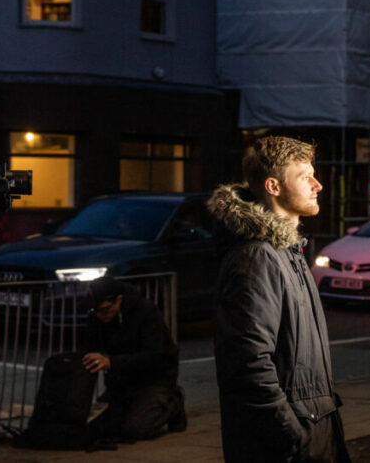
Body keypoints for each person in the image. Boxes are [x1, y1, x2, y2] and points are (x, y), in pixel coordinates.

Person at [208, 136, 348, 462]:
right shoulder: (257, 258)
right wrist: (292, 436)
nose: (317, 185)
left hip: (312, 433)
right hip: (288, 447)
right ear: (273, 186)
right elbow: (248, 365)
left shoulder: (289, 251)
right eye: (305, 177)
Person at [83, 275, 186, 441]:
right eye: (97, 311)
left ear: (118, 300)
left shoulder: (146, 311)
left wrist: (111, 362)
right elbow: (90, 348)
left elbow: (153, 356)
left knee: (136, 429)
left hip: (155, 379)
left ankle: (173, 402)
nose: (102, 316)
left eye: (106, 310)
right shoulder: (97, 317)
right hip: (122, 381)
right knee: (100, 425)